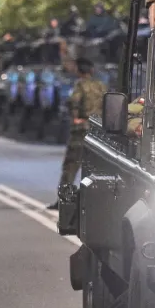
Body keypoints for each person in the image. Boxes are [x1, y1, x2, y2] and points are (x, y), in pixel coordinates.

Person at [50, 55, 106, 212]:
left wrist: (76, 118)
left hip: (81, 130)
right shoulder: (101, 86)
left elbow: (74, 102)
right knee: (96, 168)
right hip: (99, 131)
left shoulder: (79, 86)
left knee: (71, 167)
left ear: (79, 70)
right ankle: (97, 201)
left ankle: (64, 201)